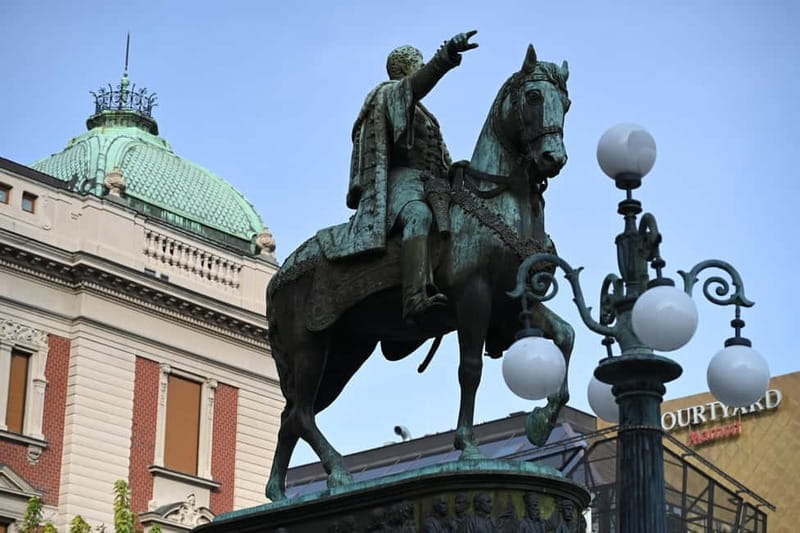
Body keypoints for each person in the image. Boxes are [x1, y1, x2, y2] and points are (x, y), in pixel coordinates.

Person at [321, 30, 478, 321]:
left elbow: (438, 157)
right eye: (419, 63)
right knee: (418, 215)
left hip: (431, 184)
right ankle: (414, 297)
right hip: (401, 182)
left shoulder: (423, 113)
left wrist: (456, 168)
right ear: (405, 68)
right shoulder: (389, 93)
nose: (422, 67)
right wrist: (444, 58)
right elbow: (417, 85)